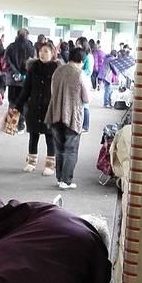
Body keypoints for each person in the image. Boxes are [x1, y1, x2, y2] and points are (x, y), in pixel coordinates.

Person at [45, 47, 90, 190]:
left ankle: (60, 178)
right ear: (82, 60)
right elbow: (86, 98)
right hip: (72, 115)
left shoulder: (58, 71)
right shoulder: (80, 74)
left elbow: (52, 91)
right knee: (71, 149)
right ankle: (66, 180)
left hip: (55, 113)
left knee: (59, 148)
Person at [16, 43, 59, 176]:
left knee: (50, 137)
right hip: (34, 107)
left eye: (46, 51)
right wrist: (18, 105)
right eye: (40, 51)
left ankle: (50, 165)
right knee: (33, 136)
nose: (42, 53)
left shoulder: (57, 69)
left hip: (50, 108)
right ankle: (31, 162)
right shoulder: (33, 68)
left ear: (52, 53)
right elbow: (26, 89)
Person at [5, 29, 35, 132]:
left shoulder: (10, 47)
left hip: (13, 80)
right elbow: (32, 64)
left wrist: (15, 72)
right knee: (24, 103)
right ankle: (21, 126)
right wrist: (23, 75)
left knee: (12, 102)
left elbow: (7, 61)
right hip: (25, 81)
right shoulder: (31, 48)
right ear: (27, 36)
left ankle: (11, 127)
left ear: (17, 35)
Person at [76, 37, 93, 133]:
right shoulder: (79, 54)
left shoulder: (88, 56)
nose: (77, 46)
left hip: (85, 81)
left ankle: (86, 126)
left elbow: (89, 71)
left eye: (79, 44)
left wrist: (78, 72)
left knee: (85, 104)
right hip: (78, 80)